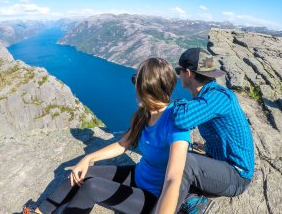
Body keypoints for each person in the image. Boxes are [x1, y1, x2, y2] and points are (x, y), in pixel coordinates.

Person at [23, 58, 191, 214]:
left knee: (92, 187)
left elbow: (173, 180)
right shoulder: (145, 113)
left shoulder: (176, 124)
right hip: (138, 176)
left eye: (135, 80)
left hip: (152, 198)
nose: (133, 85)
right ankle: (39, 212)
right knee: (82, 172)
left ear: (148, 85)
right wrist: (87, 159)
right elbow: (123, 144)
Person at [156, 48, 254, 214]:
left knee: (183, 162)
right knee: (170, 159)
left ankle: (190, 205)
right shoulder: (209, 96)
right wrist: (207, 147)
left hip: (237, 177)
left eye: (179, 71)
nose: (178, 74)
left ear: (188, 73)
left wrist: (171, 102)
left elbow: (182, 119)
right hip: (222, 165)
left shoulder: (219, 97)